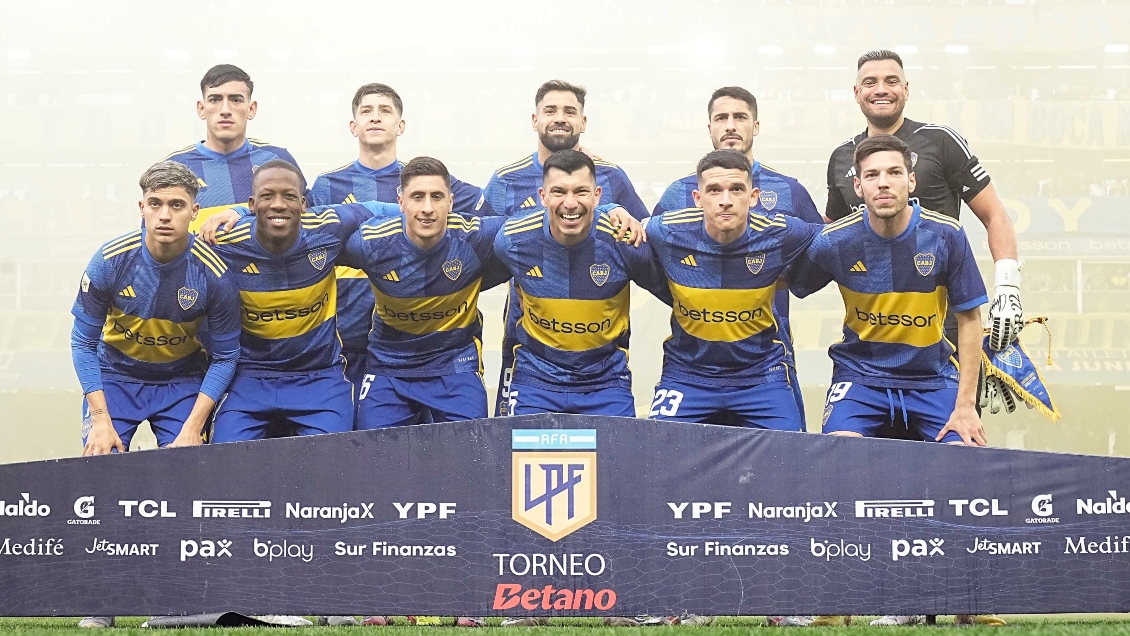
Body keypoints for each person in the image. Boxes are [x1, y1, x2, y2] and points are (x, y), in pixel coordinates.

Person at [791, 135, 992, 628]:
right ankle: (836, 599)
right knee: (836, 460)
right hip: (861, 379)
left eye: (894, 173)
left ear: (911, 181)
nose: (884, 183)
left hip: (931, 379)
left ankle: (966, 599)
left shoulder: (945, 235)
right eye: (873, 176)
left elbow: (970, 319)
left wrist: (966, 405)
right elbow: (787, 281)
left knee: (968, 463)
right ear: (857, 187)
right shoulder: (834, 241)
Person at [492, 149, 675, 628]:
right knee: (527, 487)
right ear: (541, 196)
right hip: (536, 379)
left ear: (597, 194)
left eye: (580, 192)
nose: (569, 203)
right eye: (558, 192)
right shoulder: (512, 239)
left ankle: (626, 597)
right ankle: (526, 598)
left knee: (622, 484)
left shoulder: (623, 241)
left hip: (605, 380)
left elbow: (676, 291)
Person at [70, 161, 241, 628]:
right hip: (116, 379)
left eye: (177, 205)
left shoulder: (214, 274)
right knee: (101, 478)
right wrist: (100, 418)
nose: (165, 214)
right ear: (141, 207)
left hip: (180, 382)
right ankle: (101, 604)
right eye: (156, 204)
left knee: (189, 481)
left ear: (194, 212)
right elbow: (82, 341)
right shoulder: (111, 260)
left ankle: (178, 601)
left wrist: (193, 428)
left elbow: (226, 356)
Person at [825, 50, 1021, 356]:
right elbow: (831, 233)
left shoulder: (941, 141)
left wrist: (1008, 287)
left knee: (962, 389)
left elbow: (994, 214)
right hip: (874, 326)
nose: (881, 89)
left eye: (892, 81)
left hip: (945, 321)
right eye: (870, 82)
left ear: (906, 89)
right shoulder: (841, 157)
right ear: (856, 92)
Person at [653, 86, 824, 432]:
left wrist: (774, 278)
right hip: (693, 359)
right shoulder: (677, 193)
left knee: (788, 452)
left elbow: (821, 250)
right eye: (721, 118)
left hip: (765, 354)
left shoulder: (789, 190)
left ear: (755, 125)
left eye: (740, 117)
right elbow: (651, 257)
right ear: (710, 128)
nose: (730, 125)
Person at [308, 83, 494, 399]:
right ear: (353, 126)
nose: (375, 117)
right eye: (366, 111)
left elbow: (498, 223)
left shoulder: (424, 181)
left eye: (385, 111)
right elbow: (298, 232)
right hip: (346, 338)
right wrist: (243, 211)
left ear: (401, 125)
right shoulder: (326, 185)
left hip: (416, 345)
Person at [482, 80, 650, 417]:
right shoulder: (505, 180)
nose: (560, 118)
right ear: (535, 120)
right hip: (528, 340)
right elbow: (482, 249)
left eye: (569, 111)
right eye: (550, 110)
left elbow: (641, 236)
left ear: (583, 122)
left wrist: (613, 211)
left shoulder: (611, 176)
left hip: (597, 343)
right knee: (518, 440)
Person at [205, 160, 397, 444]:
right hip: (250, 376)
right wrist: (237, 212)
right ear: (252, 204)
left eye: (289, 196)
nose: (278, 204)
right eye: (267, 196)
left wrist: (437, 222)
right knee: (224, 460)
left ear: (304, 204)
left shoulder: (328, 227)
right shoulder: (224, 241)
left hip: (319, 376)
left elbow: (381, 209)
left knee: (335, 459)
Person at [164, 65, 303, 232]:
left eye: (235, 100)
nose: (225, 110)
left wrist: (242, 212)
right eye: (215, 99)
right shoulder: (173, 168)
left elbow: (307, 217)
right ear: (201, 109)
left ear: (251, 109)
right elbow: (154, 234)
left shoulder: (277, 160)